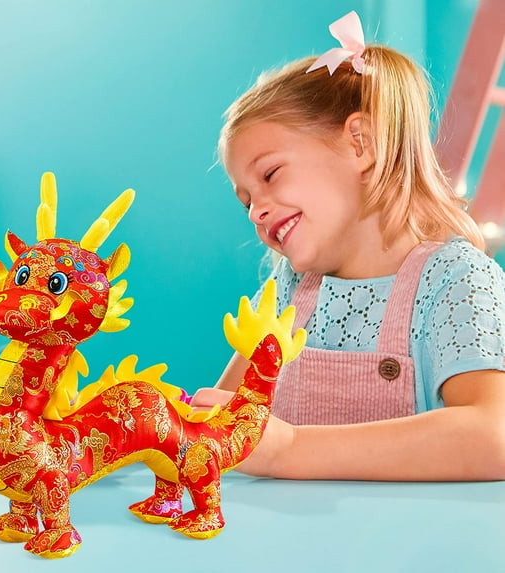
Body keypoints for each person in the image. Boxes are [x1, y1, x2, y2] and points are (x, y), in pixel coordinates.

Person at [191, 11, 505, 481]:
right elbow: (223, 428)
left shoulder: (457, 279)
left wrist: (289, 450)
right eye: (246, 201)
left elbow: (493, 436)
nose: (256, 211)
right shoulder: (289, 289)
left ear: (360, 143)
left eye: (270, 174)